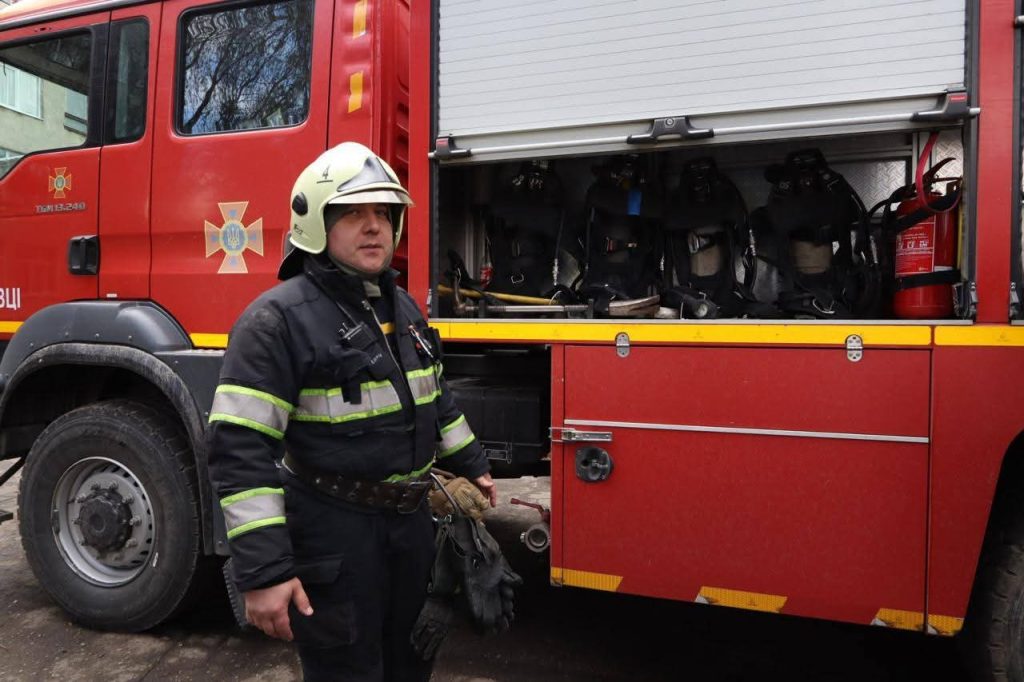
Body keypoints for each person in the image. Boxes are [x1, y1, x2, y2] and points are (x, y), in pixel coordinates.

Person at [207, 142, 494, 682]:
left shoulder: (402, 307)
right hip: (332, 534)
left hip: (410, 530)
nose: (374, 226)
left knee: (410, 665)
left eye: (383, 212)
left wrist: (471, 461)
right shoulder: (276, 321)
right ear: (315, 223)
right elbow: (240, 451)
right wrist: (264, 572)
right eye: (353, 212)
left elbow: (434, 394)